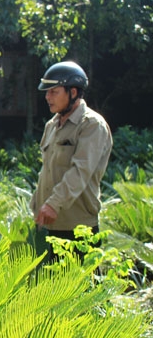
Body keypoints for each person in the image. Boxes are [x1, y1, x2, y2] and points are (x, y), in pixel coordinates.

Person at [31, 61, 113, 258]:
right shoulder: (52, 125)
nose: (47, 97)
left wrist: (53, 204)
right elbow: (47, 172)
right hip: (49, 225)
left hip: (78, 227)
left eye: (54, 92)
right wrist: (37, 207)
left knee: (82, 287)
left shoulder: (92, 125)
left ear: (73, 92)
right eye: (47, 92)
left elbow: (81, 171)